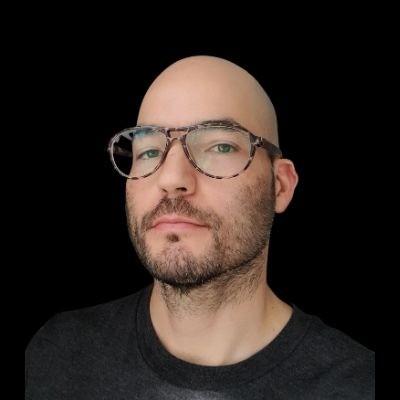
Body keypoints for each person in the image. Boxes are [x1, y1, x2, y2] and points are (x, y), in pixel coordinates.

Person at [25, 55, 375, 399]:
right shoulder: (55, 354)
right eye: (149, 152)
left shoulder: (358, 385)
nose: (171, 178)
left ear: (280, 186)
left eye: (220, 146)